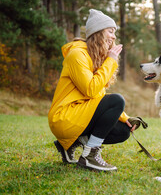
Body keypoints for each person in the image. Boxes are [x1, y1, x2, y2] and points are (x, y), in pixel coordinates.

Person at [48, 9, 136, 172]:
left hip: (80, 114)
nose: (114, 37)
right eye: (110, 31)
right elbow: (91, 90)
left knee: (123, 131)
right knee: (117, 99)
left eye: (114, 32)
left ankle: (69, 144)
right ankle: (90, 156)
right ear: (98, 33)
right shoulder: (76, 55)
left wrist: (125, 118)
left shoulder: (93, 57)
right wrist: (110, 61)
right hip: (64, 117)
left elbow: (98, 96)